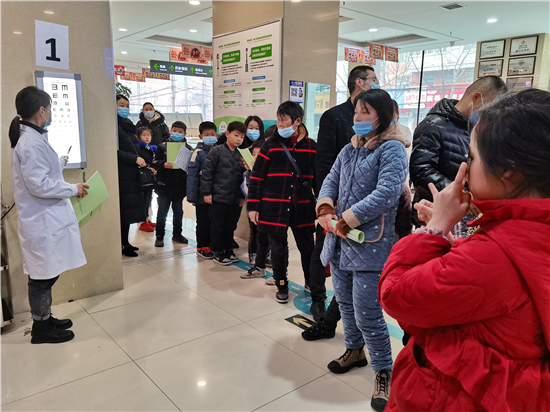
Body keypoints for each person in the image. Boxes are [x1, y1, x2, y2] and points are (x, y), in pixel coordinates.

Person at [379, 88, 550, 412]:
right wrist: (451, 243)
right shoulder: (528, 233)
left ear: (510, 170)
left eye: (471, 157)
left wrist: (433, 230)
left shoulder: (494, 254)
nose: (465, 168)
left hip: (449, 396)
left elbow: (398, 295)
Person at [317, 89, 408, 412]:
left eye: (365, 112)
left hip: (370, 244)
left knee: (367, 311)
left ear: (382, 116)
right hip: (341, 241)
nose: (357, 117)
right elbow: (330, 180)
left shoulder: (393, 149)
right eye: (356, 112)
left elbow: (387, 192)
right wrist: (325, 209)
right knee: (345, 304)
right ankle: (354, 351)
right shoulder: (350, 149)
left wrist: (347, 219)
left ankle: (384, 370)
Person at [9, 86, 89, 344]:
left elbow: (42, 171)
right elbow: (38, 184)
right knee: (42, 277)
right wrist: (73, 189)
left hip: (45, 219)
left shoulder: (34, 138)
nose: (51, 113)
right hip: (40, 221)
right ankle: (41, 328)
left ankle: (45, 317)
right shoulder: (30, 142)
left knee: (47, 273)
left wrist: (60, 162)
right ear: (41, 110)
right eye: (50, 108)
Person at [307, 65, 379, 335]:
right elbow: (325, 164)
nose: (376, 83)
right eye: (373, 79)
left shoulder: (379, 122)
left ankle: (334, 318)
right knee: (323, 250)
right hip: (335, 201)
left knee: (353, 260)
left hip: (364, 207)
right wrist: (326, 203)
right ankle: (317, 298)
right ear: (359, 82)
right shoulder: (334, 116)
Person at [410, 75, 507, 235]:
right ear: (477, 98)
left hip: (465, 213)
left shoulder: (475, 128)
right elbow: (420, 170)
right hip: (435, 212)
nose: (489, 116)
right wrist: (459, 194)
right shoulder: (432, 125)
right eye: (489, 108)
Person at [248, 101, 316, 304]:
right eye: (278, 119)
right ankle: (281, 283)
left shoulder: (312, 147)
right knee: (277, 249)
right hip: (274, 207)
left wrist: (325, 205)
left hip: (303, 207)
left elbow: (320, 179)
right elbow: (257, 177)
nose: (279, 124)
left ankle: (311, 282)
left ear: (297, 121)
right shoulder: (270, 145)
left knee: (307, 248)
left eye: (283, 119)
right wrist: (253, 206)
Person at [201, 121, 247, 265]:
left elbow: (244, 178)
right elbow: (207, 173)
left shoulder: (241, 155)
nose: (239, 139)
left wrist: (242, 196)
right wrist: (207, 192)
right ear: (227, 134)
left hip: (234, 199)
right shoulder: (217, 151)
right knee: (217, 226)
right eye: (236, 135)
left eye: (242, 137)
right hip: (218, 198)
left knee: (230, 226)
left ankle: (228, 249)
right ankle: (218, 251)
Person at [152, 121, 192, 248]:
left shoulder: (188, 149)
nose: (177, 133)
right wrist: (163, 165)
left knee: (178, 212)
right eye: (174, 131)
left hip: (179, 186)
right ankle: (159, 236)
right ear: (170, 130)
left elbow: (191, 166)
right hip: (164, 185)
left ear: (185, 134)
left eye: (180, 132)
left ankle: (177, 234)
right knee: (162, 211)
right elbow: (154, 162)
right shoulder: (162, 147)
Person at [117, 95, 147, 257]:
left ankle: (126, 242)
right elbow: (114, 151)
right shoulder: (113, 125)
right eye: (121, 105)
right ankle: (122, 244)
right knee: (123, 210)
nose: (125, 109)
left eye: (127, 106)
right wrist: (134, 159)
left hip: (131, 173)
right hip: (122, 174)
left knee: (128, 211)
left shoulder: (127, 125)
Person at [187, 121, 218, 259]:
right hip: (200, 196)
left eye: (212, 134)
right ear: (200, 136)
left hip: (215, 195)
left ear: (217, 135)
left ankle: (211, 244)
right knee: (203, 222)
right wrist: (192, 197)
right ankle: (202, 246)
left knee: (213, 221)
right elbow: (192, 176)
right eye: (207, 135)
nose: (210, 137)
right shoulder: (197, 153)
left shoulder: (218, 150)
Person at [241, 140, 272, 279]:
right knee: (255, 234)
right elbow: (247, 190)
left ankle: (267, 256)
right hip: (254, 211)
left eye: (260, 154)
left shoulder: (270, 171)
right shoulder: (247, 173)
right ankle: (254, 256)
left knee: (269, 236)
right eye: (254, 154)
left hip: (269, 210)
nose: (256, 157)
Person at [136, 127, 157, 233]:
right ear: (138, 137)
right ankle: (142, 222)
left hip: (149, 177)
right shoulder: (139, 148)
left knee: (148, 199)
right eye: (144, 135)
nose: (147, 137)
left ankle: (147, 219)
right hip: (142, 177)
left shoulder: (151, 148)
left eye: (148, 135)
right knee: (143, 200)